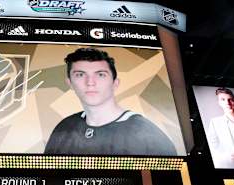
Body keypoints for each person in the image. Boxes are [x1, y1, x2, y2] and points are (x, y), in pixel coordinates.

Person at [44, 48, 176, 156]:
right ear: (70, 83)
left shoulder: (148, 134)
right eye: (80, 74)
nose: (90, 83)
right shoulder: (64, 128)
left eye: (100, 74)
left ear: (115, 83)